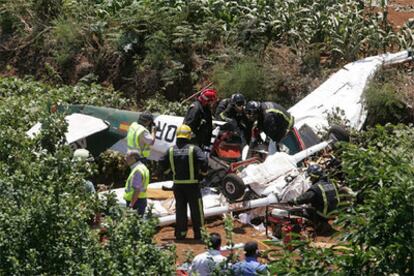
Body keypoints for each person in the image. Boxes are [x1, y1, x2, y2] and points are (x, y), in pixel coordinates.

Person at [160, 124, 208, 240]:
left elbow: (161, 162)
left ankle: (180, 235)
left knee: (180, 210)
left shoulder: (171, 150)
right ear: (188, 136)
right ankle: (199, 235)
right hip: (192, 186)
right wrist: (202, 175)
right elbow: (204, 162)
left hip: (178, 186)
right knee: (196, 211)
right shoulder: (194, 149)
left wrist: (169, 172)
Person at [288, 164, 339, 236]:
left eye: (311, 177)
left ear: (315, 176)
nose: (310, 179)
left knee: (301, 211)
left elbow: (305, 198)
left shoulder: (316, 187)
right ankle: (323, 223)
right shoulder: (331, 183)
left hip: (323, 213)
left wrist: (293, 201)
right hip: (334, 211)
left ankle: (317, 225)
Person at [123, 151, 150, 216]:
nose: (125, 159)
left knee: (132, 224)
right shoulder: (142, 167)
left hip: (135, 202)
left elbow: (137, 189)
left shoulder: (137, 170)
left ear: (133, 159)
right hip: (139, 200)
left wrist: (131, 205)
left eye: (127, 157)